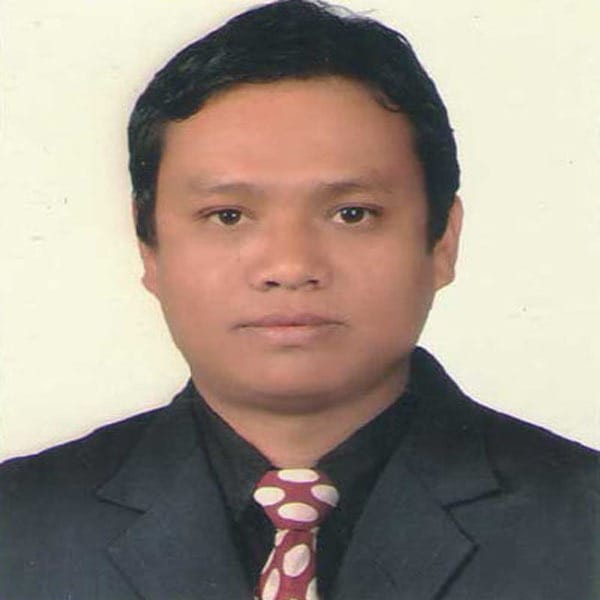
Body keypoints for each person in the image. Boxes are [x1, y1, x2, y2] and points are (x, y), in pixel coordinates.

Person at [1, 1, 597, 598]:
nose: (290, 266)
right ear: (148, 246)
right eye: (228, 215)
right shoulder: (18, 526)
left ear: (443, 239)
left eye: (352, 214)